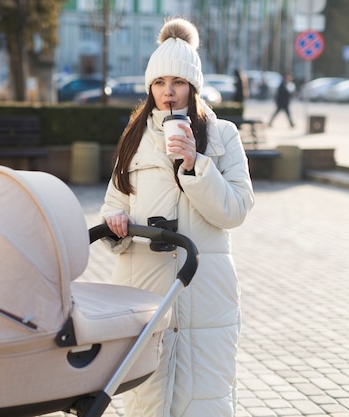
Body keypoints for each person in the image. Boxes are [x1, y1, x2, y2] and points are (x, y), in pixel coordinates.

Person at [99, 17, 254, 417]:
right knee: (144, 400)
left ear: (193, 86)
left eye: (178, 82)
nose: (168, 92)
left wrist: (196, 163)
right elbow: (113, 202)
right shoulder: (133, 138)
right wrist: (117, 226)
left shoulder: (223, 136)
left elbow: (236, 210)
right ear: (150, 88)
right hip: (144, 289)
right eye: (159, 83)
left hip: (205, 291)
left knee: (204, 398)